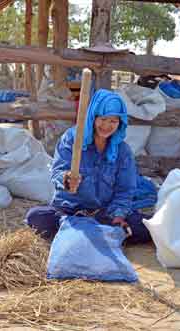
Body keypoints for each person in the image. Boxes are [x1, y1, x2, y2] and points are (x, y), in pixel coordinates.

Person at [26, 89, 153, 245]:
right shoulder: (72, 139)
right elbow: (57, 172)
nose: (107, 126)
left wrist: (118, 215)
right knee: (36, 217)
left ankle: (86, 231)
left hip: (104, 212)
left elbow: (125, 190)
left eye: (113, 121)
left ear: (120, 123)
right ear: (93, 117)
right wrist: (66, 179)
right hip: (70, 210)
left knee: (147, 227)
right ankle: (93, 231)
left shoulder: (122, 151)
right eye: (103, 119)